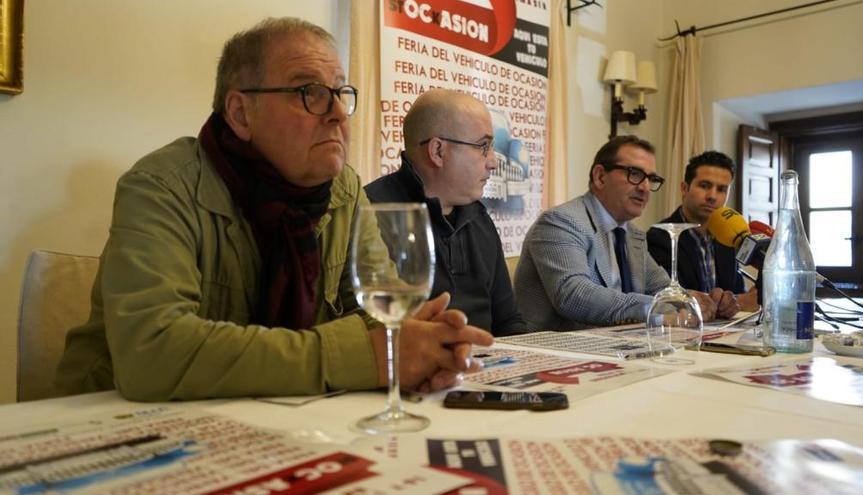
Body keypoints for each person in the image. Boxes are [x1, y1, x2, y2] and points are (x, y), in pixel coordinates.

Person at [55, 17, 492, 402]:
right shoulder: (160, 186)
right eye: (310, 93)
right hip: (119, 430)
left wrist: (425, 347)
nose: (339, 113)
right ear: (241, 113)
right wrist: (367, 356)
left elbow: (378, 315)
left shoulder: (344, 190)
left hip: (279, 420)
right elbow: (152, 352)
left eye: (341, 93)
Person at [515, 136, 738, 331]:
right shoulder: (561, 221)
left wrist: (701, 301)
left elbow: (662, 288)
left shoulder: (632, 235)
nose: (644, 187)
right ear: (600, 176)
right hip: (558, 356)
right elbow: (573, 295)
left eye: (651, 179)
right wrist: (658, 308)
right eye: (634, 174)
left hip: (617, 352)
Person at [365, 89, 527, 337]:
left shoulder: (480, 217)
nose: (493, 162)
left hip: (489, 367)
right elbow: (375, 330)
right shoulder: (372, 215)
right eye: (483, 147)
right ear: (438, 151)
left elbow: (509, 320)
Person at [647, 151, 754, 310]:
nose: (712, 196)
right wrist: (741, 302)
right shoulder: (660, 237)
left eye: (721, 189)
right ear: (684, 188)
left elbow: (734, 292)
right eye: (704, 186)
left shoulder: (728, 237)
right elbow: (673, 302)